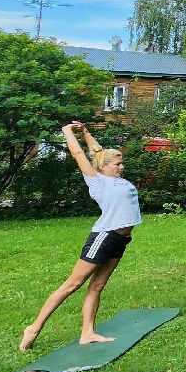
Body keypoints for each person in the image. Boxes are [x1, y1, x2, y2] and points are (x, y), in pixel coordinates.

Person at [19, 121, 140, 352]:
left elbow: (96, 151)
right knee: (73, 284)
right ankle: (33, 328)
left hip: (120, 239)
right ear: (103, 167)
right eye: (117, 164)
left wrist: (85, 131)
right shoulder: (97, 181)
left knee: (98, 286)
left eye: (121, 163)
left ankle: (87, 333)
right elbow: (78, 153)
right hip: (104, 237)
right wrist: (67, 131)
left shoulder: (116, 179)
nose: (121, 166)